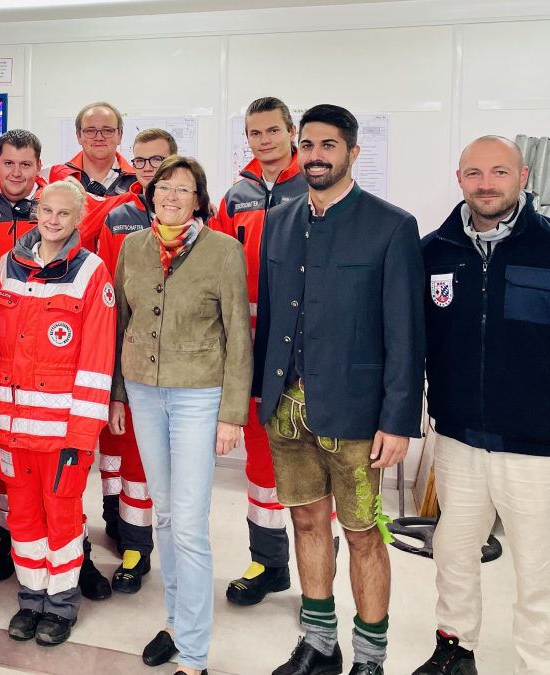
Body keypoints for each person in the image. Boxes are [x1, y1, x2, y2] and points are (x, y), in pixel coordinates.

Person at [253, 104, 425, 675]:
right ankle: (319, 642)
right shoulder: (278, 218)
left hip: (356, 414)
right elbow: (273, 312)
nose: (316, 156)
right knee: (305, 522)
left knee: (363, 536)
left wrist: (399, 418)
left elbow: (405, 330)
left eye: (328, 145)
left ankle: (370, 657)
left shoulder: (391, 226)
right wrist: (259, 393)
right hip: (287, 409)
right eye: (307, 145)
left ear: (353, 152)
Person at [414, 136, 550, 675]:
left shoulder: (546, 248)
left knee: (537, 569)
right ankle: (454, 647)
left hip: (534, 447)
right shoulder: (433, 252)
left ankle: (537, 663)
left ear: (521, 176)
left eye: (498, 172)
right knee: (453, 552)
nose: (486, 183)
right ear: (460, 179)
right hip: (458, 437)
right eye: (474, 173)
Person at [111, 155, 252, 674]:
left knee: (189, 524)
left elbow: (239, 333)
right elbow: (121, 322)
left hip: (199, 395)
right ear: (151, 194)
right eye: (163, 186)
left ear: (200, 198)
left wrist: (232, 413)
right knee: (165, 515)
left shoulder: (223, 251)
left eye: (183, 188)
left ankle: (194, 654)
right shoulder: (133, 247)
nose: (170, 195)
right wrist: (118, 395)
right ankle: (175, 620)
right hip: (145, 393)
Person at [0, 178, 116, 646]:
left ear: (78, 219)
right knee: (21, 515)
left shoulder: (91, 271)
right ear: (37, 212)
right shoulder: (6, 266)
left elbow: (98, 360)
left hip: (62, 431)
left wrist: (82, 433)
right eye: (46, 211)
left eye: (64, 214)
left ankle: (60, 604)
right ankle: (31, 597)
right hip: (10, 427)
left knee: (61, 517)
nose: (53, 221)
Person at [210, 96, 307, 607]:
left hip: (303, 351)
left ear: (291, 131)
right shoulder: (236, 196)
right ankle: (268, 564)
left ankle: (320, 580)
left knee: (311, 462)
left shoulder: (314, 182)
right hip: (248, 349)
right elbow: (221, 266)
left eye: (273, 130)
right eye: (255, 132)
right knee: (261, 463)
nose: (264, 140)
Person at [95, 127, 177, 595]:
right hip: (129, 358)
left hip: (182, 365)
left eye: (158, 161)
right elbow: (111, 295)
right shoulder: (119, 218)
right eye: (142, 161)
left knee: (162, 464)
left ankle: (157, 548)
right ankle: (132, 543)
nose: (149, 169)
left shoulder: (202, 219)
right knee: (126, 458)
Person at [0, 129, 45, 581]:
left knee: (50, 455)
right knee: (2, 450)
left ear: (40, 167)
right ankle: (6, 539)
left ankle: (61, 539)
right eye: (9, 163)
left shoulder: (55, 206)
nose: (16, 173)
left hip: (45, 349)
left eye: (26, 164)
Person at [48, 101, 138, 199]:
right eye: (90, 131)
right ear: (79, 136)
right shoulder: (58, 181)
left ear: (120, 135)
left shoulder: (138, 182)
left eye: (107, 131)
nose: (99, 137)